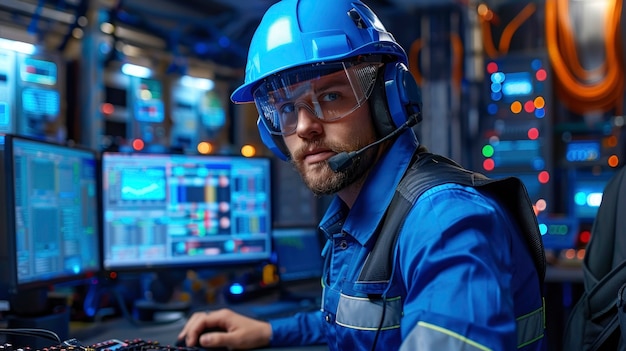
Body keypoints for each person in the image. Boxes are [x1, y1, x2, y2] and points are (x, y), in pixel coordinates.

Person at [177, 0, 546, 350]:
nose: (304, 126)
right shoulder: (357, 217)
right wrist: (270, 332)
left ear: (389, 100)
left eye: (332, 96)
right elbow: (361, 320)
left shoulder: (443, 220)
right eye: (286, 108)